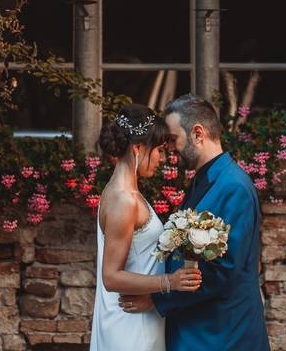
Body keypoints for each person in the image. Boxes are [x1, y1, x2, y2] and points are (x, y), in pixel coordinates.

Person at [118, 94, 270, 351]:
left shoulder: (233, 186)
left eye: (174, 139)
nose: (169, 149)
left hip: (223, 333)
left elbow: (224, 270)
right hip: (198, 328)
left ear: (198, 133)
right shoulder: (205, 179)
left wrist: (158, 300)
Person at [89, 103, 203, 351]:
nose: (162, 159)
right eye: (159, 150)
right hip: (130, 325)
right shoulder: (124, 200)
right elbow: (111, 276)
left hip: (138, 318)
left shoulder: (125, 191)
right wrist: (170, 282)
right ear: (138, 147)